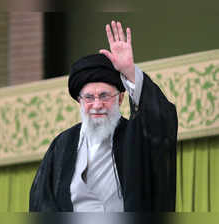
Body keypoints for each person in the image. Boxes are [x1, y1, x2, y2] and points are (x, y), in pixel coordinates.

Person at [29, 21, 178, 212]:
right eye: (89, 97)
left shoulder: (137, 136)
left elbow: (162, 121)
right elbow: (41, 201)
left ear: (121, 98)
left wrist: (130, 72)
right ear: (80, 101)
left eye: (105, 96)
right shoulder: (63, 144)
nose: (97, 104)